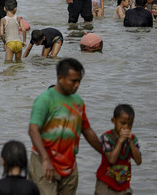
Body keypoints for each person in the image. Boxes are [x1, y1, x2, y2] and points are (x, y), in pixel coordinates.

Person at [28, 58, 102, 194]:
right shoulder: (45, 100)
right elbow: (33, 130)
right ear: (60, 78)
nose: (77, 85)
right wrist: (45, 159)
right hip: (44, 162)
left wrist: (104, 153)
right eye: (73, 81)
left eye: (79, 81)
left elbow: (86, 129)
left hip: (69, 165)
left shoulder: (78, 102)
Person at [94, 104, 142, 194]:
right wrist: (120, 141)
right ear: (113, 121)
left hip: (123, 184)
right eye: (122, 123)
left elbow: (138, 161)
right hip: (106, 183)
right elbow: (111, 160)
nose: (126, 127)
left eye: (130, 124)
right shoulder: (106, 137)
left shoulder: (133, 139)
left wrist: (130, 142)